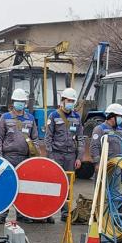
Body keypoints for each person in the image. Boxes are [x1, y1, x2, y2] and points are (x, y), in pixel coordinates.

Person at [0, 88, 42, 224]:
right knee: (6, 187)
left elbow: (35, 139)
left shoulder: (30, 119)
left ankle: (21, 215)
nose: (20, 103)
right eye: (18, 101)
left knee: (23, 187)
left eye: (22, 101)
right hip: (8, 157)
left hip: (24, 158)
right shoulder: (5, 118)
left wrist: (35, 156)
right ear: (13, 102)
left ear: (25, 103)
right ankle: (2, 215)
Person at [45, 87, 83, 222]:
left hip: (70, 156)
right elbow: (48, 138)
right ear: (62, 101)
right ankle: (49, 212)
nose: (70, 103)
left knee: (67, 185)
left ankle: (65, 212)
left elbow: (80, 139)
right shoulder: (53, 116)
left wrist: (79, 158)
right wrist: (50, 157)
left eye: (73, 101)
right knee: (53, 184)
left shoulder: (77, 117)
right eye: (69, 100)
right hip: (56, 155)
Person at [90, 103, 122, 170]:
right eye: (119, 116)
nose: (121, 118)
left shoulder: (121, 130)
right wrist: (97, 163)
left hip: (118, 166)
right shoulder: (100, 129)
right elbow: (94, 147)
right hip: (104, 166)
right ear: (111, 116)